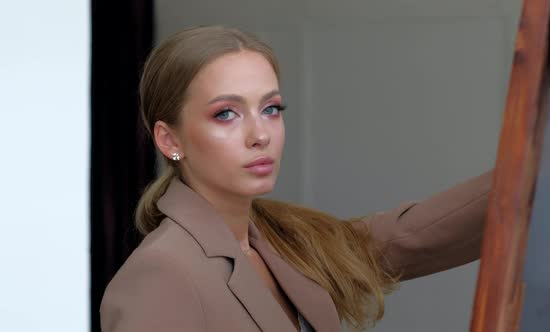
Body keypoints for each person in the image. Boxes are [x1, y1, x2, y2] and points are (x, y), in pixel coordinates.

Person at [100, 25, 493, 332]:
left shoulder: (281, 238)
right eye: (226, 114)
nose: (261, 135)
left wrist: (534, 173)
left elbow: (413, 236)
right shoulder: (160, 275)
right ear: (169, 139)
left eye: (270, 108)